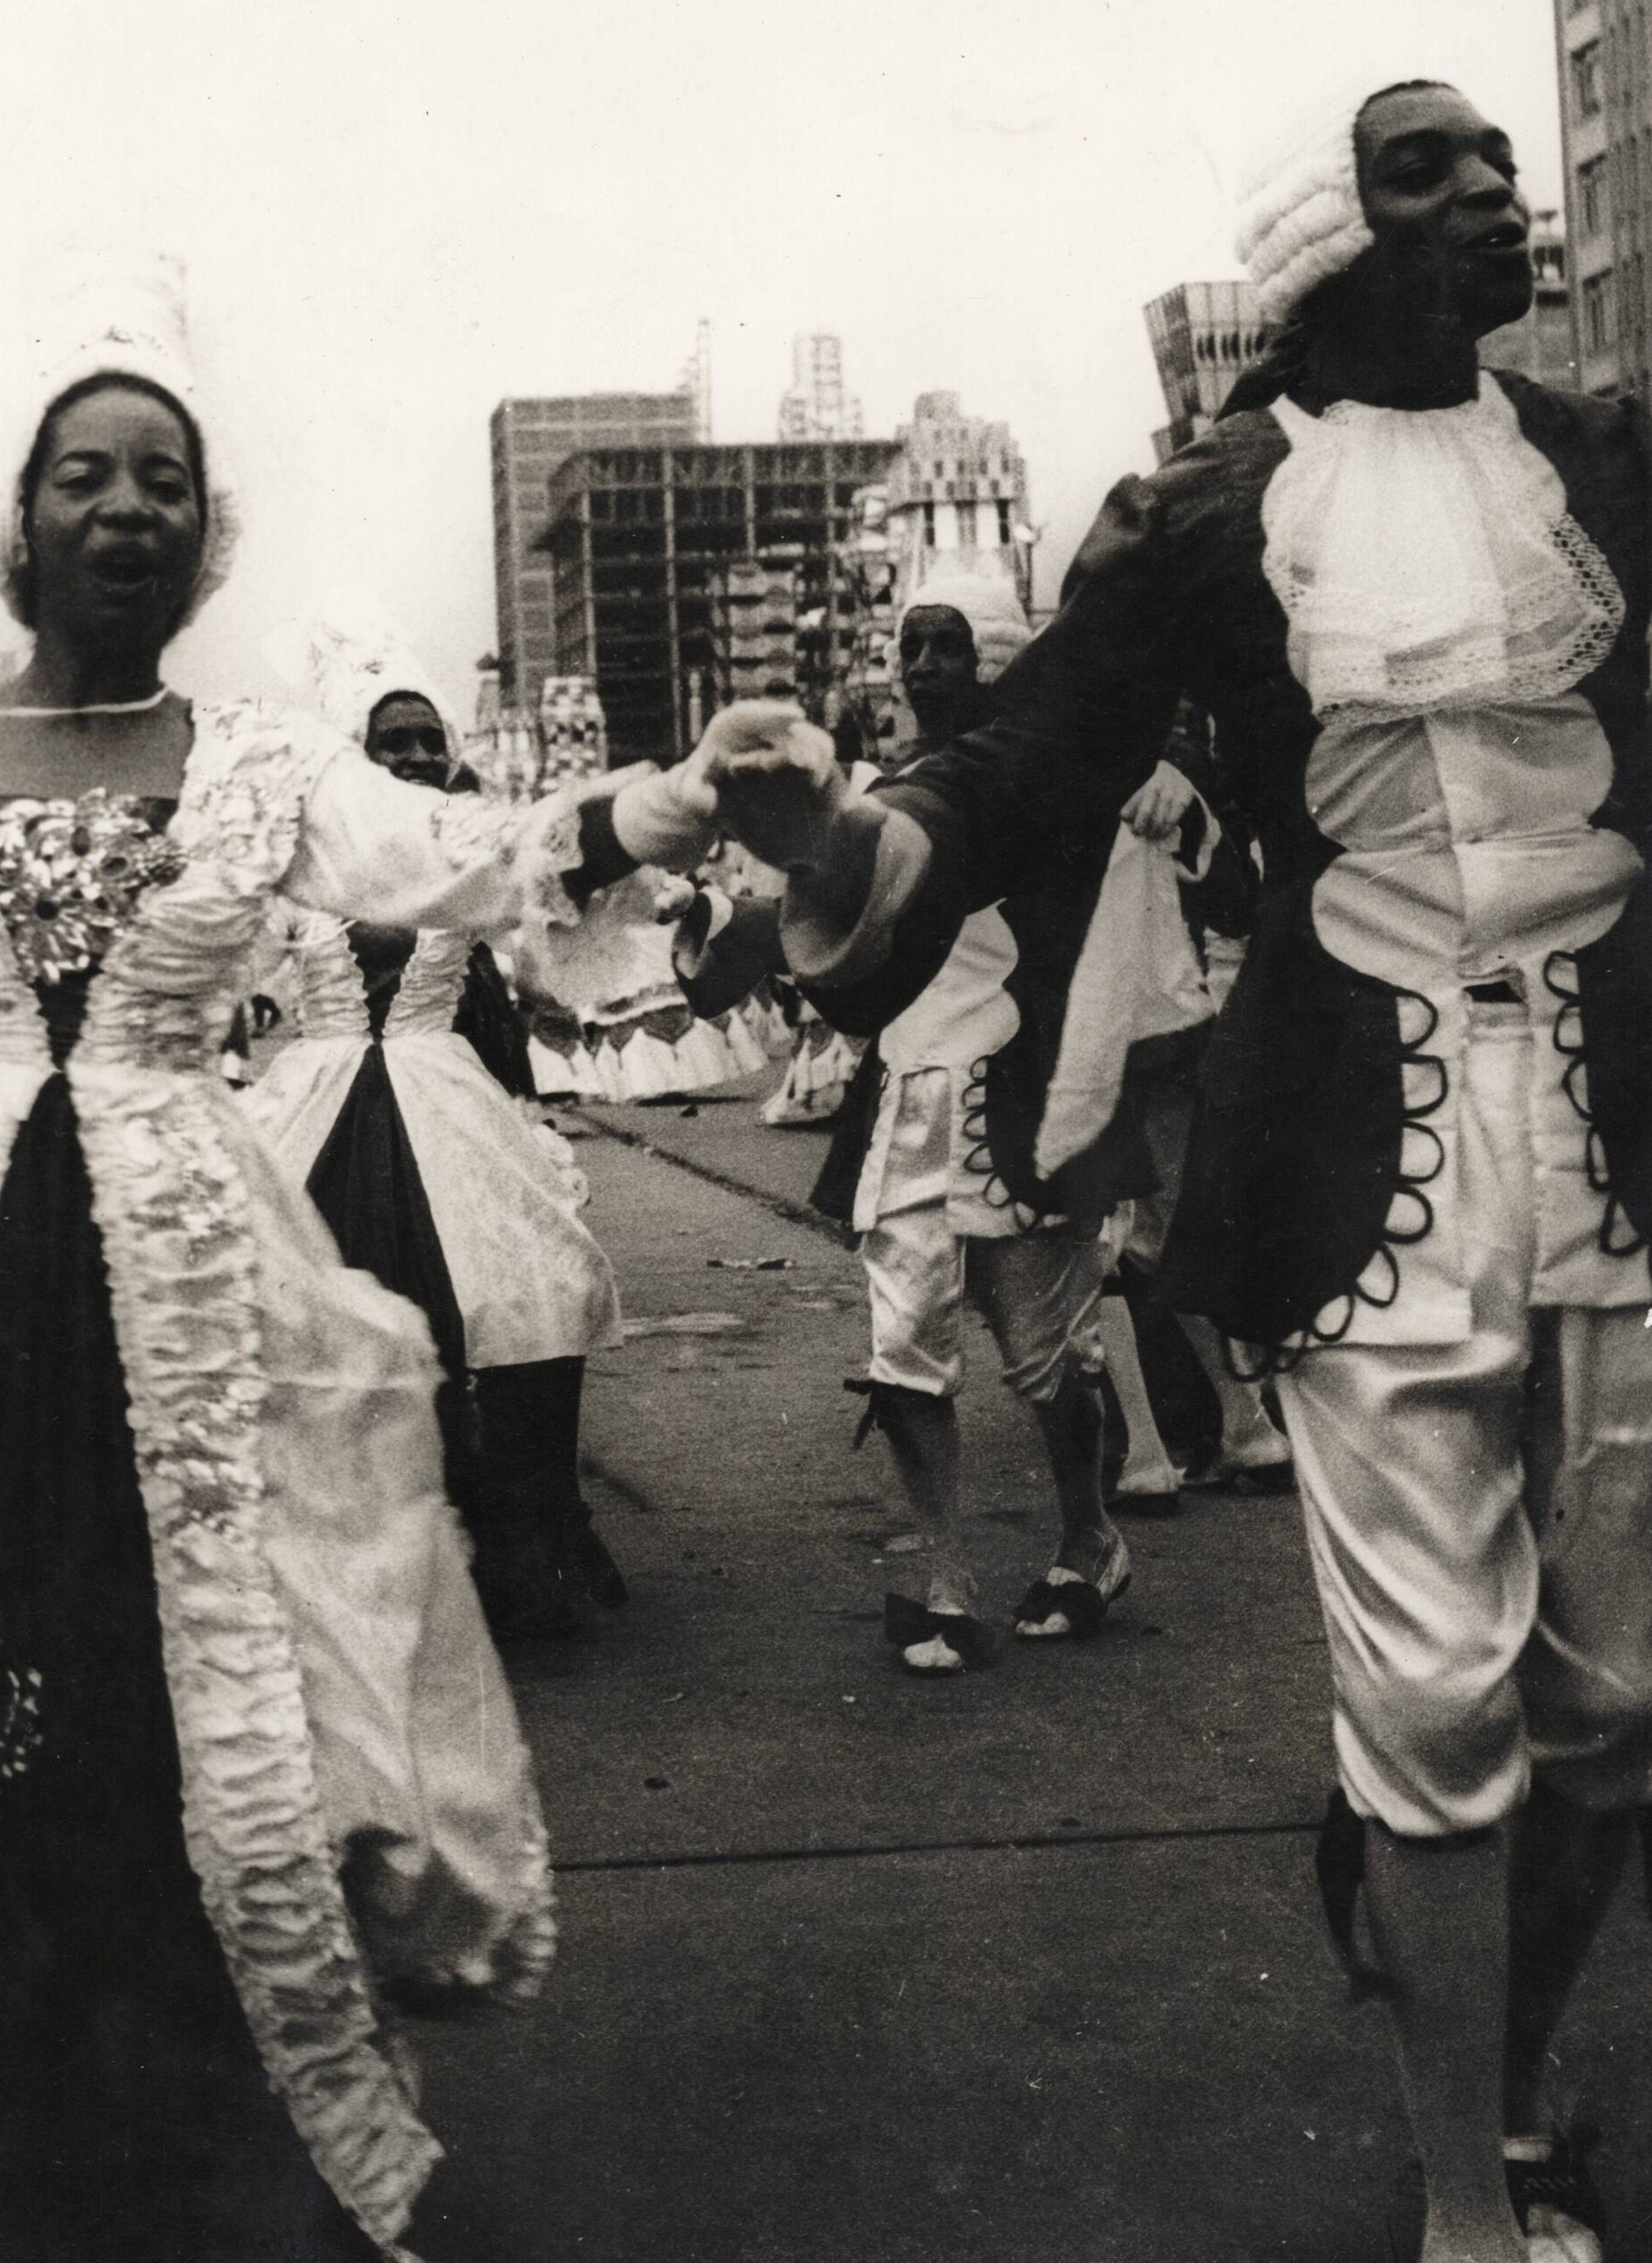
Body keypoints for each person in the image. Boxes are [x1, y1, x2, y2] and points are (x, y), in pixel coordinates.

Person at [0, 266, 722, 2263]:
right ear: (21, 516)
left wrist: (662, 799)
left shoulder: (260, 756)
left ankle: (189, 2141)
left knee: (208, 1701)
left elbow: (453, 858)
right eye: (86, 475)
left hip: (184, 1283)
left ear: (203, 535)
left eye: (164, 480)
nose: (126, 508)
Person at [713, 72, 1648, 2263]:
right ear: (1325, 245)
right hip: (1359, 1151)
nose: (1495, 199)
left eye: (1502, 167)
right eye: (1430, 176)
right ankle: (1450, 2189)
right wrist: (843, 843)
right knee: (1427, 1690)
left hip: (1619, 1129)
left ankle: (1504, 2068)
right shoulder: (1212, 510)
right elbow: (1030, 747)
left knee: (1607, 1701)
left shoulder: (1604, 470)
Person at [683, 568, 1217, 1658]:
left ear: (999, 658)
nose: (922, 667)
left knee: (1045, 1357)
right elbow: (813, 918)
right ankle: (942, 1575)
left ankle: (1088, 1540)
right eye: (909, 646)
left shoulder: (1058, 770)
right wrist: (714, 917)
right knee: (904, 1347)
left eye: (947, 645)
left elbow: (1169, 759)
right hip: (902, 1102)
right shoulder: (875, 790)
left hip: (1026, 1094)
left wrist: (1177, 764)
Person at [243, 636, 628, 1638]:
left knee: (521, 1293)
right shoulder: (297, 860)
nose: (413, 757)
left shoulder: (470, 847)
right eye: (391, 742)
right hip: (313, 1099)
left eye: (428, 741)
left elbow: (562, 899)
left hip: (442, 1097)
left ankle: (513, 1555)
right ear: (353, 754)